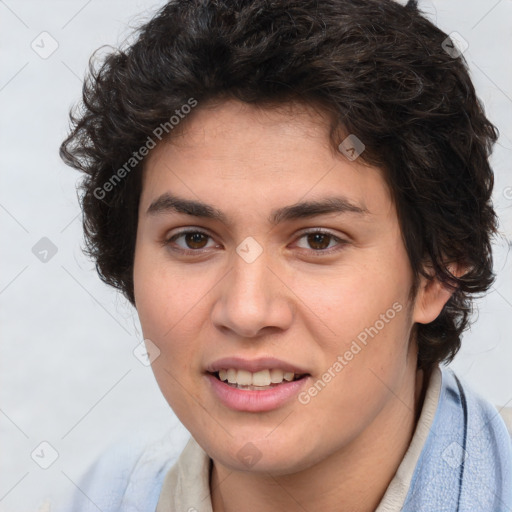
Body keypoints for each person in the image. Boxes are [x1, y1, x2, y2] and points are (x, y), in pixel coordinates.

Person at [59, 0, 512, 510]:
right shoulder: (104, 494)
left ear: (436, 272)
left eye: (318, 240)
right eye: (194, 239)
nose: (247, 312)